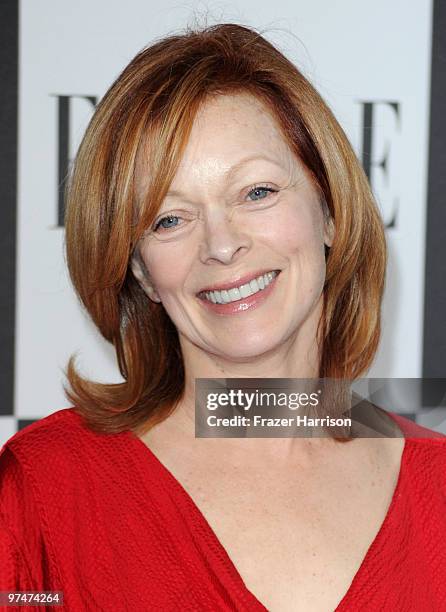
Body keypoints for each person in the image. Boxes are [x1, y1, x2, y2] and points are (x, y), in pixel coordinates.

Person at [1, 23, 445, 612]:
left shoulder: (437, 486)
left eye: (256, 192)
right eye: (169, 219)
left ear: (330, 212)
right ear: (139, 271)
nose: (221, 244)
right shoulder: (46, 488)